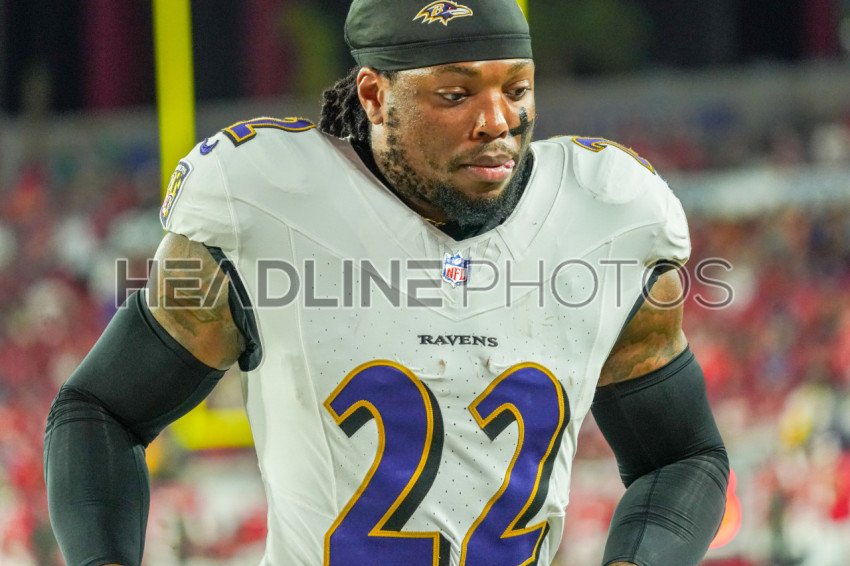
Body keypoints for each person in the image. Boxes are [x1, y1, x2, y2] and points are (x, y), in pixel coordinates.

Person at [44, 1, 729, 564]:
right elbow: (100, 410)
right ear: (374, 95)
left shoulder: (605, 213)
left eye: (516, 89)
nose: (498, 121)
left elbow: (682, 456)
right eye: (456, 94)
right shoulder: (268, 202)